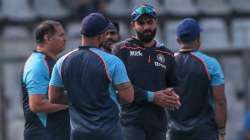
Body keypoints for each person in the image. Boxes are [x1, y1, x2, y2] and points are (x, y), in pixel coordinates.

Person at [48, 13, 134, 140]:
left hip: (79, 135)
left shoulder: (62, 61)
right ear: (100, 36)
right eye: (105, 33)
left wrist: (80, 97)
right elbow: (128, 97)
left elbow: (54, 97)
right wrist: (101, 96)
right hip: (109, 134)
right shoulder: (112, 62)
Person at [112, 4, 181, 140]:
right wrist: (151, 96)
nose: (146, 27)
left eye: (150, 22)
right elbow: (117, 88)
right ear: (133, 25)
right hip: (130, 123)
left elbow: (173, 84)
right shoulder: (121, 50)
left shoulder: (166, 54)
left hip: (158, 124)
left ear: (156, 22)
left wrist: (172, 95)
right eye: (141, 23)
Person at [167, 18, 227, 140]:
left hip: (174, 133)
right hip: (205, 132)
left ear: (178, 40)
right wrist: (222, 130)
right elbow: (220, 102)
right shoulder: (211, 64)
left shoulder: (167, 64)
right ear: (198, 39)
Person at [21, 20, 70, 140]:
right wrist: (73, 102)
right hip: (43, 134)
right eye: (61, 35)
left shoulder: (51, 62)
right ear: (47, 38)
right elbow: (37, 104)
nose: (65, 39)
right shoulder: (37, 64)